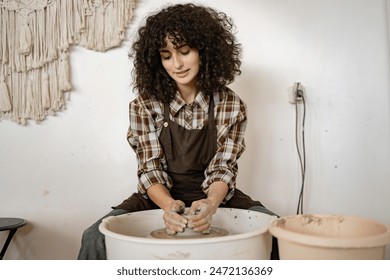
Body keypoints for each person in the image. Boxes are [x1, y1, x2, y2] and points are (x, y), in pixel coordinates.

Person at [77, 3, 278, 260]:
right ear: (156, 60)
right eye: (166, 55)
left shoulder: (230, 104)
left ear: (204, 50)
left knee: (278, 229)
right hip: (158, 195)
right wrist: (169, 206)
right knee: (94, 236)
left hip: (213, 193)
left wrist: (210, 204)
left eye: (184, 51)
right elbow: (150, 170)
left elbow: (223, 169)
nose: (177, 64)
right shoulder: (145, 105)